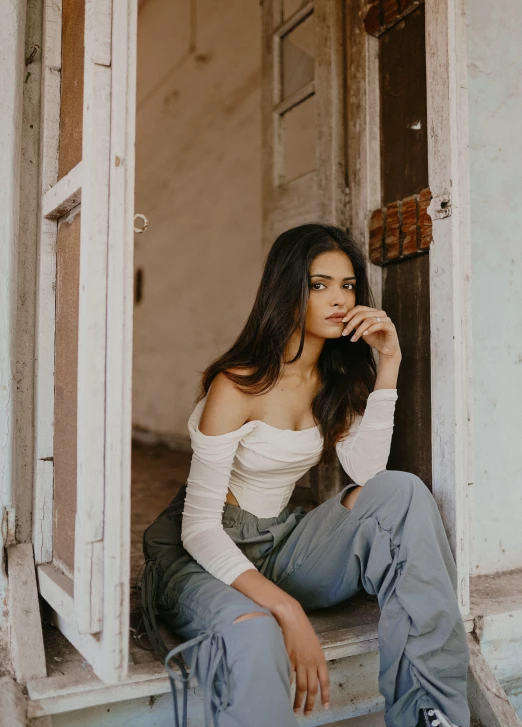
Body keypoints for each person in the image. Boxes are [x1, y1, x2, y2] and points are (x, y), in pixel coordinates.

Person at [140, 223, 470, 727]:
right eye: (319, 285)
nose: (338, 299)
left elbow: (369, 475)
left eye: (348, 285)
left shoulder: (334, 378)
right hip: (203, 551)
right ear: (289, 292)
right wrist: (288, 611)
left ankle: (431, 714)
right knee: (256, 632)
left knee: (401, 492)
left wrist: (388, 363)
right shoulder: (238, 384)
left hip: (279, 543)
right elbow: (197, 526)